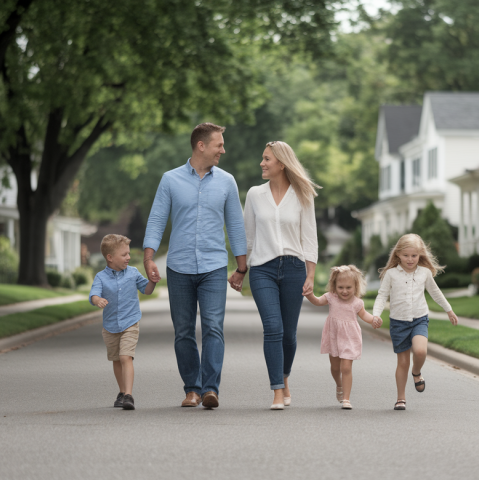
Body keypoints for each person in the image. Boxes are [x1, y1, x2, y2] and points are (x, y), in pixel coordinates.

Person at [143, 123, 247, 410]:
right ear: (201, 145)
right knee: (183, 331)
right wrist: (148, 258)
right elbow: (156, 219)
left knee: (213, 327)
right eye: (219, 145)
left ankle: (210, 389)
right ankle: (192, 389)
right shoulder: (170, 180)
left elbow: (235, 225)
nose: (223, 150)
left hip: (214, 266)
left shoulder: (227, 181)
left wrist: (241, 268)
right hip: (179, 267)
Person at [239, 141, 318, 410]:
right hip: (263, 269)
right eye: (263, 158)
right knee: (273, 328)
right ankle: (276, 390)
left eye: (267, 159)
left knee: (289, 334)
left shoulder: (302, 194)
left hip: (294, 269)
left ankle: (284, 377)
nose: (261, 163)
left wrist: (310, 275)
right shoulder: (254, 194)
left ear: (281, 164)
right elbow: (248, 237)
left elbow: (309, 237)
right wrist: (242, 269)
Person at [372, 233, 459, 411]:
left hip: (419, 319)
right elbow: (382, 296)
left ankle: (416, 372)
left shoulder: (424, 273)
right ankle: (400, 398)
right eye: (406, 255)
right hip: (398, 323)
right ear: (398, 254)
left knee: (420, 351)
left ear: (420, 255)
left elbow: (435, 292)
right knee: (402, 362)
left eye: (414, 255)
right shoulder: (391, 274)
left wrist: (449, 310)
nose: (410, 259)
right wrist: (376, 314)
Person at [89, 234, 158, 411]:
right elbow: (94, 294)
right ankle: (121, 392)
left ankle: (128, 395)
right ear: (110, 257)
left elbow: (146, 290)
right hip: (110, 326)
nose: (128, 257)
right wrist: (98, 300)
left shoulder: (133, 273)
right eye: (124, 254)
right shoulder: (101, 277)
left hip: (130, 322)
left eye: (128, 253)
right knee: (116, 359)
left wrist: (153, 281)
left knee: (125, 356)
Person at [304, 265, 382, 410]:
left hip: (350, 338)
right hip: (333, 337)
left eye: (348, 288)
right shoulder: (331, 297)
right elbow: (317, 301)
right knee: (335, 368)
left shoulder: (357, 303)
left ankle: (346, 398)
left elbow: (364, 315)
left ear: (355, 286)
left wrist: (374, 320)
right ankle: (339, 384)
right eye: (340, 287)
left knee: (346, 367)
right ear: (334, 285)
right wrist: (309, 295)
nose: (344, 291)